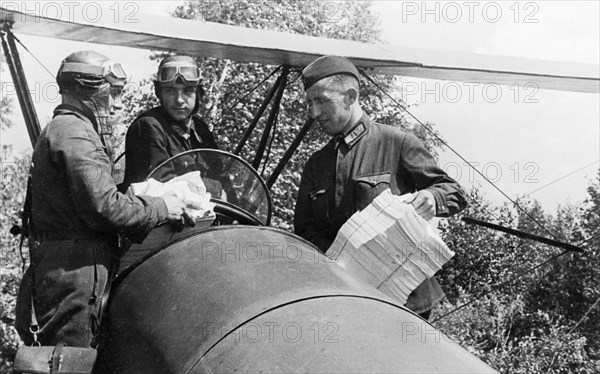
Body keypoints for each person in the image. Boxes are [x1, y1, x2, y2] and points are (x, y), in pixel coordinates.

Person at [15, 51, 193, 347]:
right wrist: (163, 207)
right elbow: (106, 208)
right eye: (111, 94)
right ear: (85, 90)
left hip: (74, 270)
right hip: (73, 277)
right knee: (72, 360)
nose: (117, 104)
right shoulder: (75, 135)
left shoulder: (70, 129)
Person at [294, 55, 468, 320]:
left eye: (320, 101)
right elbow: (304, 231)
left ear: (350, 97)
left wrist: (432, 197)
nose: (312, 113)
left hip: (405, 303)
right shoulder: (316, 164)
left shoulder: (397, 142)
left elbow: (453, 191)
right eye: (309, 102)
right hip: (346, 300)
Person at [121, 55, 218, 191]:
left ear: (198, 93)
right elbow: (163, 189)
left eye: (187, 91)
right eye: (170, 91)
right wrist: (215, 188)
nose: (179, 99)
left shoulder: (200, 129)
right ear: (159, 92)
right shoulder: (149, 126)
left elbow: (221, 178)